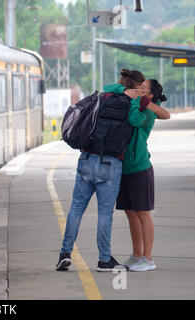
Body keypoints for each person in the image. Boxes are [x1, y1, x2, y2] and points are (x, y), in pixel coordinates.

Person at [56, 69, 148, 272]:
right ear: (136, 85)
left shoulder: (105, 95)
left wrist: (123, 90)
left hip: (86, 159)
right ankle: (104, 259)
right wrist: (134, 96)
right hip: (111, 163)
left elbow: (107, 88)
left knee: (76, 208)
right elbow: (143, 115)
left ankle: (65, 253)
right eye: (141, 86)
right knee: (105, 214)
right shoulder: (134, 101)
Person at [114, 79, 169, 271]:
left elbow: (134, 120)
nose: (138, 90)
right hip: (124, 168)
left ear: (150, 95)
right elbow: (108, 88)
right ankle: (136, 255)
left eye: (142, 89)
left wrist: (137, 101)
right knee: (130, 212)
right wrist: (125, 90)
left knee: (143, 213)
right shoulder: (135, 100)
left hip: (140, 168)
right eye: (138, 87)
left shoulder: (148, 112)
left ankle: (148, 258)